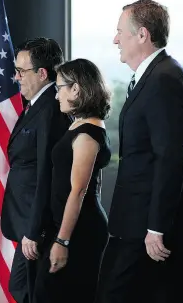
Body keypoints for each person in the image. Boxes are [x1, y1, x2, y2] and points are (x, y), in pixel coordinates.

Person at [96, 0, 183, 303]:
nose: (115, 39)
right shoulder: (156, 74)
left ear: (142, 34)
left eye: (120, 32)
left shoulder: (164, 79)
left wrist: (156, 227)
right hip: (143, 224)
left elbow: (170, 157)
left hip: (149, 227)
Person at [31, 59, 112, 303]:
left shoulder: (88, 134)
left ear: (76, 89)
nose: (56, 97)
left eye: (59, 89)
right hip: (65, 227)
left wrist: (62, 241)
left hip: (79, 232)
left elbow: (77, 192)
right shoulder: (79, 124)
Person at [1, 37, 70, 303]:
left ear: (42, 73)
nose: (16, 77)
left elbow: (47, 174)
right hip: (27, 221)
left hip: (38, 226)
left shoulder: (51, 109)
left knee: (28, 290)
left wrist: (35, 230)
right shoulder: (36, 106)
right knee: (24, 289)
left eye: (21, 71)